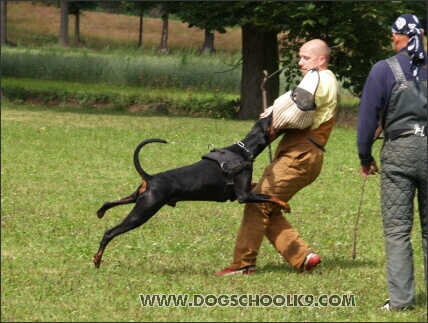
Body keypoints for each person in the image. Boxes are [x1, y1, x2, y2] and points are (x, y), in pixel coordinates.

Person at [216, 39, 339, 276]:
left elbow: (298, 106)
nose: (300, 62)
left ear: (321, 59)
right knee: (269, 206)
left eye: (306, 57)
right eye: (300, 57)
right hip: (304, 154)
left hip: (300, 155)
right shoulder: (324, 80)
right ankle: (303, 258)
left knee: (257, 203)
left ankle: (243, 264)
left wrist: (274, 113)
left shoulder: (320, 77)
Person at [356, 14, 427, 310]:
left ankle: (401, 301)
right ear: (421, 35)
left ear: (397, 37)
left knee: (398, 230)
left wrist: (365, 155)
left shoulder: (383, 70)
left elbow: (367, 120)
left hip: (399, 153)